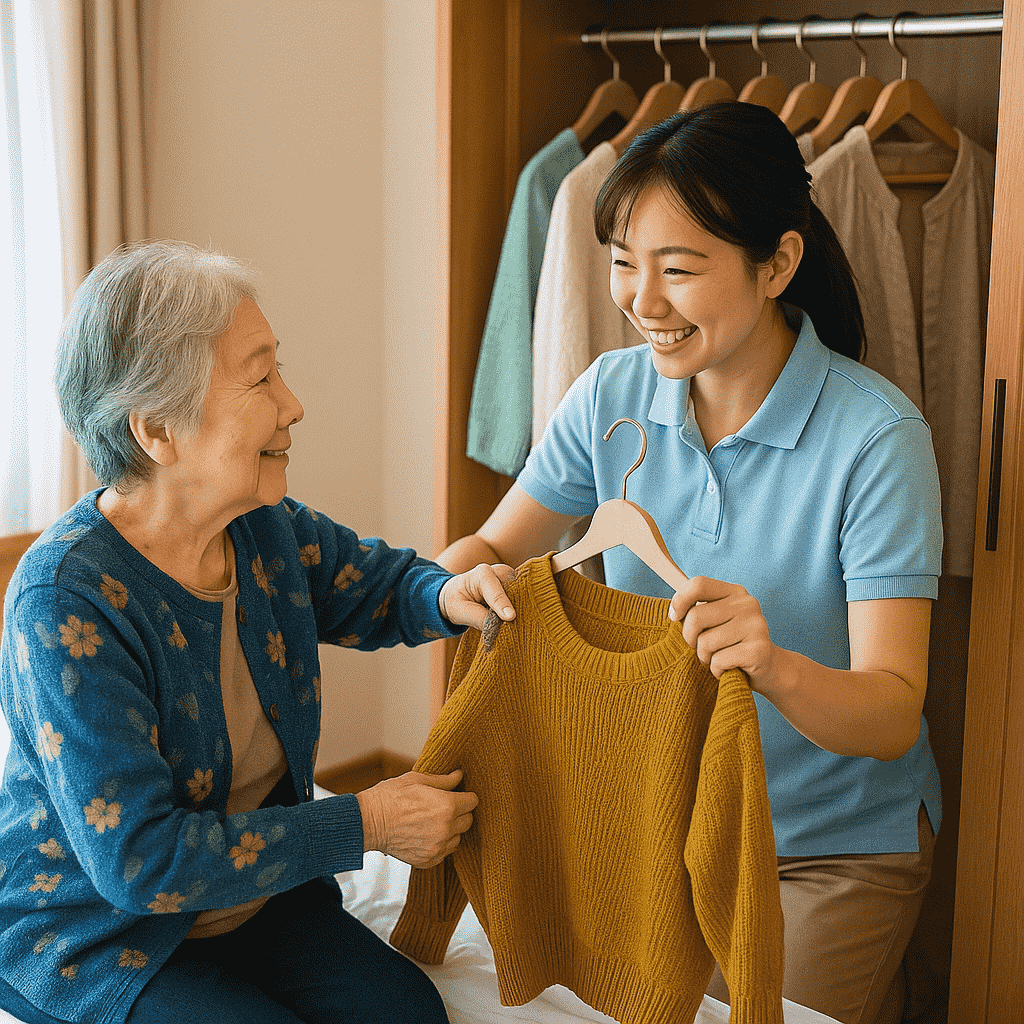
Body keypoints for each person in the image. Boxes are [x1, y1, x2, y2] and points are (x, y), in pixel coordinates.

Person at [438, 102, 942, 1024]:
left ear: (778, 263)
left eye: (678, 269)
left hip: (823, 848)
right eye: (625, 264)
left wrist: (776, 664)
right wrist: (459, 580)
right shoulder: (610, 394)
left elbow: (892, 711)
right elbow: (488, 546)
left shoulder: (878, 439)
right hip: (655, 822)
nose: (641, 301)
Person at [0, 240, 515, 1024]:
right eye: (260, 378)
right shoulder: (65, 599)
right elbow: (139, 860)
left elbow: (375, 585)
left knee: (409, 1016)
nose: (293, 403)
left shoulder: (265, 527)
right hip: (99, 930)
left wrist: (450, 594)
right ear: (157, 432)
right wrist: (367, 822)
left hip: (256, 895)